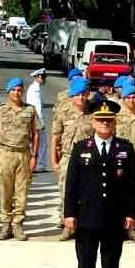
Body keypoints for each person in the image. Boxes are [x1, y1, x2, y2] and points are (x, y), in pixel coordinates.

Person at [65, 95, 135, 268]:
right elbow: (72, 184)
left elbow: (131, 185)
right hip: (86, 217)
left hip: (114, 219)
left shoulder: (124, 149)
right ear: (93, 122)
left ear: (114, 122)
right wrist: (69, 214)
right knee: (85, 266)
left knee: (110, 266)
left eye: (109, 120)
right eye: (101, 120)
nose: (105, 124)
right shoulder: (81, 148)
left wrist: (131, 213)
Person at [0, 77, 42, 241]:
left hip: (23, 154)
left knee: (22, 192)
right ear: (9, 91)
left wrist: (34, 156)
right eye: (13, 90)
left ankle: (18, 225)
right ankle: (5, 224)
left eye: (19, 90)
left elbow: (35, 134)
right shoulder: (0, 110)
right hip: (5, 153)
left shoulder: (30, 111)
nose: (16, 93)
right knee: (5, 191)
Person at [52, 77, 93, 241]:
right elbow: (55, 138)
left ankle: (84, 225)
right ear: (72, 96)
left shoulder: (94, 112)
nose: (81, 97)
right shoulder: (63, 112)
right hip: (68, 158)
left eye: (84, 94)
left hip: (88, 159)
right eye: (78, 94)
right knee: (66, 193)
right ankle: (67, 226)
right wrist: (54, 161)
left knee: (87, 193)